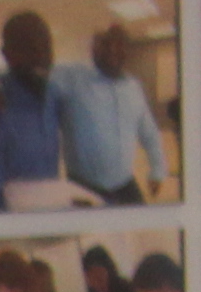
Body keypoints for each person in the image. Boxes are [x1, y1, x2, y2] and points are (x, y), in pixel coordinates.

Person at [55, 20, 171, 203]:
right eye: (106, 44)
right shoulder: (71, 78)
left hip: (124, 182)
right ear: (94, 49)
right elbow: (30, 72)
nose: (112, 51)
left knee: (136, 225)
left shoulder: (134, 88)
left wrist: (157, 170)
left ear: (127, 51)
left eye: (120, 46)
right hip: (83, 186)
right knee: (90, 232)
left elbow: (149, 133)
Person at [0, 12, 66, 212]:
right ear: (6, 54)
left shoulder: (54, 93)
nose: (40, 56)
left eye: (46, 46)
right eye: (27, 48)